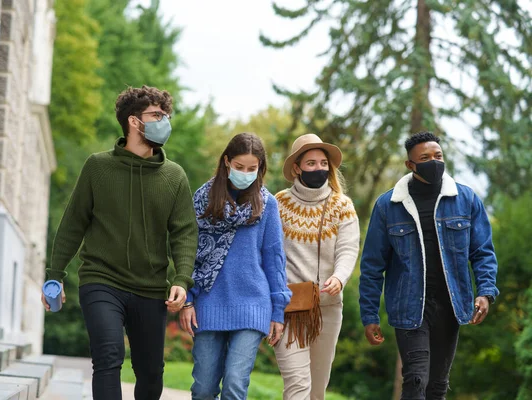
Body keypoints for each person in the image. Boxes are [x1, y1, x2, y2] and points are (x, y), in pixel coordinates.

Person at [42, 85, 199, 400]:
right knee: (108, 358)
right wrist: (54, 272)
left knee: (151, 372)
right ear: (134, 121)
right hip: (102, 280)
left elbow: (184, 231)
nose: (164, 121)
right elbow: (74, 222)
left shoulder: (174, 176)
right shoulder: (98, 167)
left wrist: (182, 277)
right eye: (156, 115)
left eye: (165, 115)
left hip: (151, 287)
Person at [359, 131, 500, 399]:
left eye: (438, 156)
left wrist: (485, 291)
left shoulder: (466, 199)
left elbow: (482, 252)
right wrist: (369, 315)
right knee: (415, 380)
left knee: (437, 385)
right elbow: (372, 267)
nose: (433, 161)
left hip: (451, 304)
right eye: (425, 157)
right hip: (409, 306)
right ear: (410, 165)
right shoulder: (388, 206)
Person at [179, 132, 291, 400]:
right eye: (239, 167)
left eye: (252, 169)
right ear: (227, 162)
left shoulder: (267, 204)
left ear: (260, 168)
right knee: (204, 389)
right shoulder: (202, 199)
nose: (245, 173)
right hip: (208, 303)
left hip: (253, 304)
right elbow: (189, 252)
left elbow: (274, 258)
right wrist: (187, 300)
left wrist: (278, 311)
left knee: (234, 385)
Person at [273, 133, 360, 399]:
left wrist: (340, 277)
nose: (318, 168)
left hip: (327, 307)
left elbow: (348, 248)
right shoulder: (278, 203)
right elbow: (269, 253)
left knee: (317, 390)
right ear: (297, 168)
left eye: (323, 163)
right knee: (297, 383)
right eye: (311, 163)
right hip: (290, 308)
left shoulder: (342, 205)